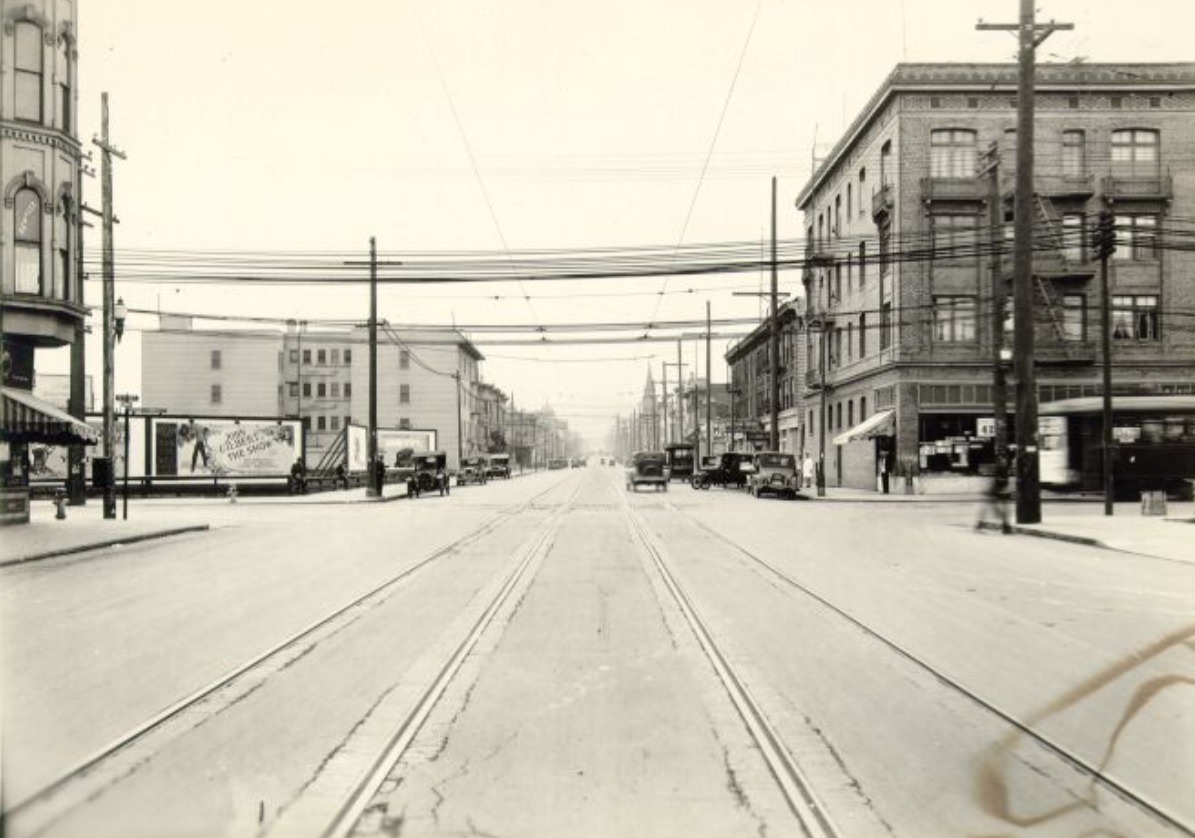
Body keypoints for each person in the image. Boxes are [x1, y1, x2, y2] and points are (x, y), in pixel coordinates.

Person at [977, 457, 1012, 533]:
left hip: (998, 492)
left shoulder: (1002, 469)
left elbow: (998, 481)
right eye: (1003, 460)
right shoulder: (1001, 469)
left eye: (1004, 460)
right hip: (999, 492)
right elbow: (999, 481)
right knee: (1002, 510)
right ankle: (1006, 526)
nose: (1004, 461)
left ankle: (980, 524)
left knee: (996, 509)